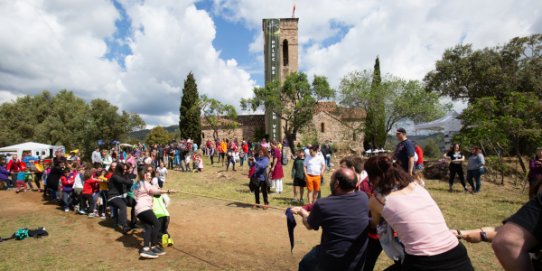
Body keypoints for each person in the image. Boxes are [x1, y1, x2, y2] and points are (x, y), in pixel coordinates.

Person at [365, 156, 474, 270]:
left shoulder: (377, 200)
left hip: (423, 260)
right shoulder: (416, 185)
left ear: (375, 177)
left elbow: (375, 223)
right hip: (457, 252)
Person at [290, 168, 370, 271]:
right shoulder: (363, 197)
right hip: (357, 257)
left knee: (305, 265)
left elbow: (309, 225)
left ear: (336, 183)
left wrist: (302, 212)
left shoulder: (323, 204)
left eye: (331, 179)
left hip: (332, 258)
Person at [133, 169, 175, 259]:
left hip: (138, 210)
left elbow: (138, 193)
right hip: (144, 208)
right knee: (156, 224)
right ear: (144, 176)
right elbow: (155, 191)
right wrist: (168, 191)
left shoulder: (137, 184)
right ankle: (153, 245)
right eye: (148, 175)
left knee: (148, 227)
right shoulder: (145, 183)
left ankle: (146, 249)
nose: (150, 177)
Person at [108, 163, 133, 233]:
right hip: (113, 197)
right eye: (123, 169)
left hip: (121, 196)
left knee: (134, 203)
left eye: (126, 169)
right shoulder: (115, 176)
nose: (125, 170)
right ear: (119, 169)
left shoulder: (124, 175)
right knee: (122, 206)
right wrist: (131, 182)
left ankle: (133, 223)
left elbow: (128, 182)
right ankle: (124, 226)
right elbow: (123, 181)